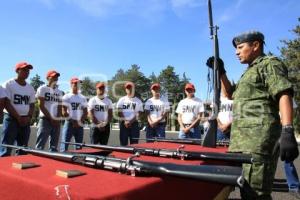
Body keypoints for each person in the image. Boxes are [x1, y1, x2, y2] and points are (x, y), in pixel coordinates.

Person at [206, 31, 298, 199]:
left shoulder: (268, 64)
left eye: (241, 47)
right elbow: (230, 94)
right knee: (245, 190)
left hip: (258, 143)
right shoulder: (248, 72)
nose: (236, 52)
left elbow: (283, 94)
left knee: (256, 194)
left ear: (255, 45)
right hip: (241, 142)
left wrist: (288, 130)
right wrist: (221, 72)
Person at [0, 62, 35, 156]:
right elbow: (6, 103)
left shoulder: (30, 88)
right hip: (11, 119)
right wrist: (18, 117)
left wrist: (29, 117)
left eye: (28, 70)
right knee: (6, 149)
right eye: (24, 70)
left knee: (23, 150)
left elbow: (32, 105)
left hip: (25, 121)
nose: (26, 72)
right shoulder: (8, 84)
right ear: (17, 71)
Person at [35, 70, 63, 152]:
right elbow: (41, 105)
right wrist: (51, 118)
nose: (55, 78)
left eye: (57, 77)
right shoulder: (42, 88)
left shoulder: (59, 91)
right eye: (53, 77)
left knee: (54, 147)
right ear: (48, 78)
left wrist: (57, 118)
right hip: (45, 120)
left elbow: (59, 106)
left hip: (56, 121)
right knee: (40, 145)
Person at [60, 77, 88, 151]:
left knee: (79, 148)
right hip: (69, 123)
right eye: (75, 83)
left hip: (80, 124)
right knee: (64, 146)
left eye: (78, 83)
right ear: (71, 84)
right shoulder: (66, 96)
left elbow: (85, 112)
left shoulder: (83, 98)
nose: (77, 85)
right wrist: (73, 121)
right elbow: (64, 112)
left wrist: (79, 122)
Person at [116, 82, 143, 146]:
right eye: (127, 88)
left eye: (131, 88)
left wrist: (130, 121)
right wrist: (125, 121)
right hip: (123, 124)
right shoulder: (121, 100)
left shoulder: (138, 101)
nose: (129, 89)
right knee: (123, 144)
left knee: (134, 145)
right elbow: (119, 112)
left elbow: (139, 113)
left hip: (134, 125)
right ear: (125, 90)